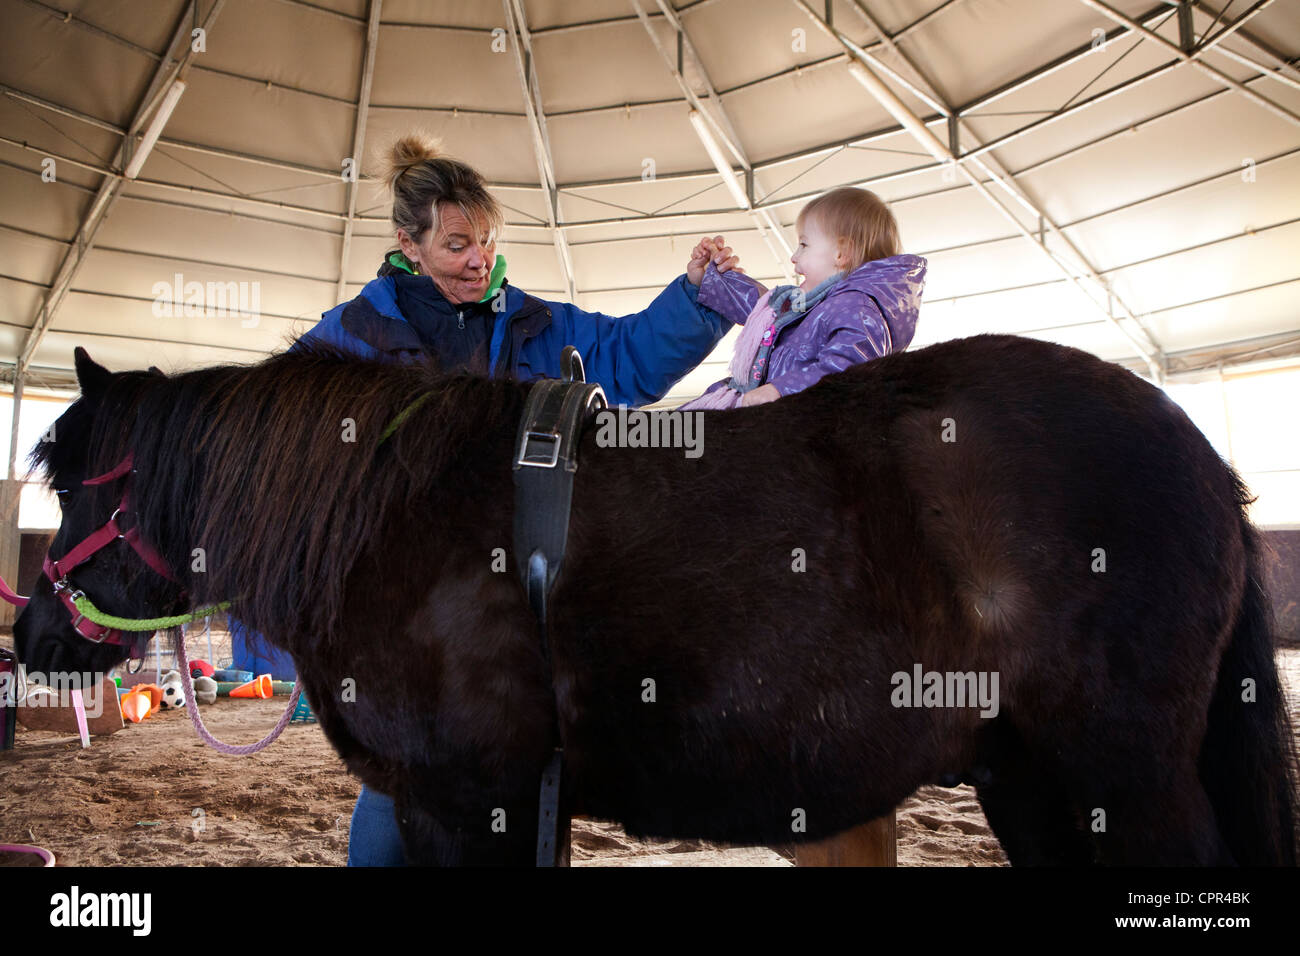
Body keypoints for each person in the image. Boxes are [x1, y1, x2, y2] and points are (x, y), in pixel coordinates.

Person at [283, 132, 744, 864]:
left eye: (488, 241)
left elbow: (626, 357)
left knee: (518, 772)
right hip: (406, 610)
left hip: (518, 605)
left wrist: (693, 298)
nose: (480, 260)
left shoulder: (533, 323)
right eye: (459, 244)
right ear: (408, 244)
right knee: (405, 777)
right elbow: (280, 441)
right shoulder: (351, 336)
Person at [681, 186, 926, 410]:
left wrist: (781, 389)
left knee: (682, 436)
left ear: (841, 252)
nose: (794, 257)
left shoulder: (856, 307)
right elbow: (761, 308)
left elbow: (850, 369)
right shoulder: (811, 305)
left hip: (785, 416)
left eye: (804, 245)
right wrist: (711, 277)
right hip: (759, 403)